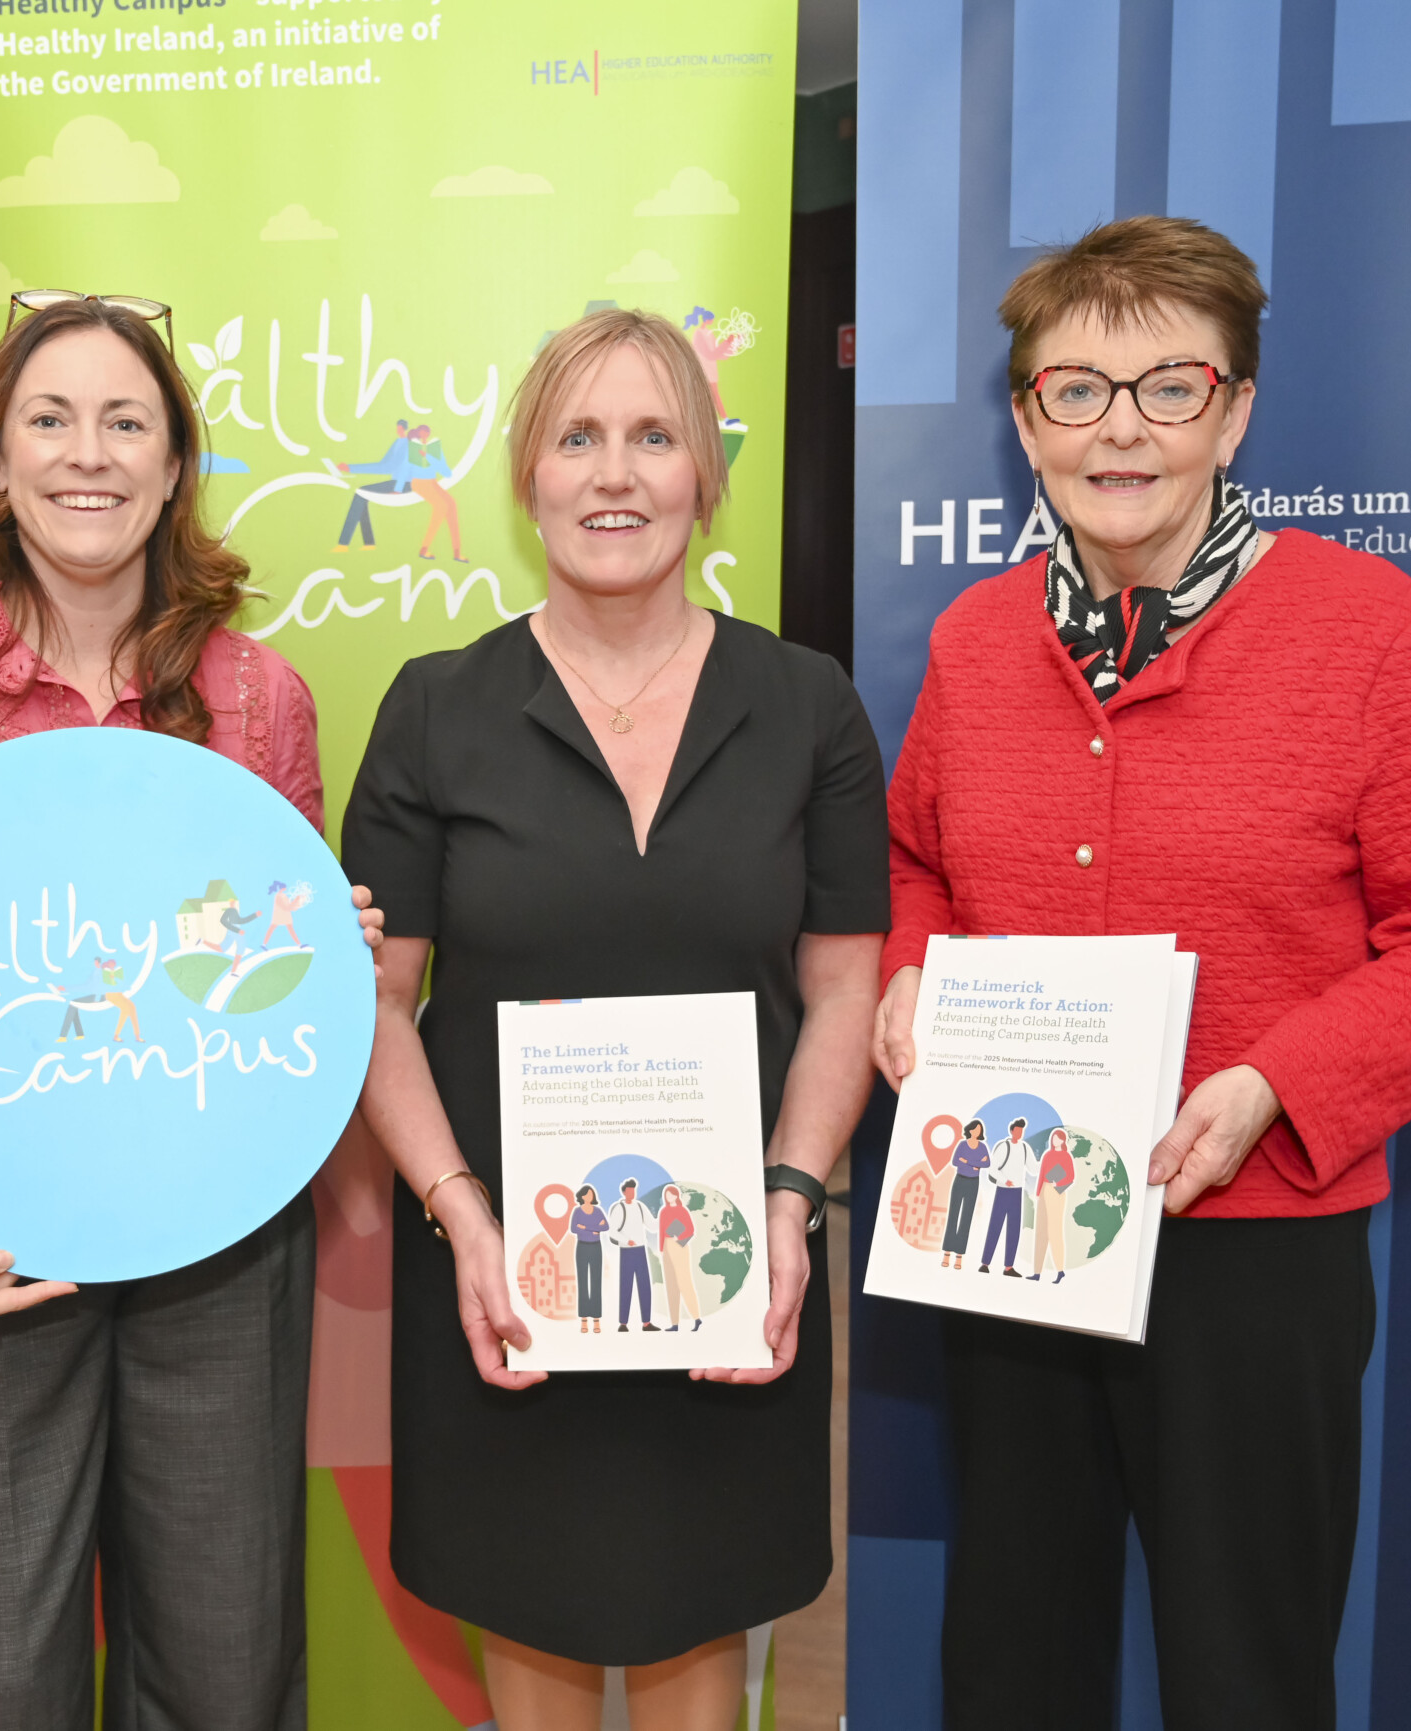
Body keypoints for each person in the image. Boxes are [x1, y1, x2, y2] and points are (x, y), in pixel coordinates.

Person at [870, 216, 1411, 1729]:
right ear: (1025, 417)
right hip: (1016, 1216)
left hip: (1255, 1240)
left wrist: (1277, 1082)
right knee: (1013, 1648)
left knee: (1247, 1663)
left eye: (1167, 386)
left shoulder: (1380, 635)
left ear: (1235, 409)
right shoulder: (979, 643)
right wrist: (912, 968)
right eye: (1075, 389)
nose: (1121, 428)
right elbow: (918, 859)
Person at [0, 292, 383, 1730]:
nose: (89, 454)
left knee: (228, 1662)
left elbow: (271, 984)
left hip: (219, 1246)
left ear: (176, 464)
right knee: (4, 1672)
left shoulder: (259, 700)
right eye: (48, 419)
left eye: (128, 421)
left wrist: (321, 952)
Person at [345, 307, 888, 1727]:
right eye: (578, 438)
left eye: (655, 437)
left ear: (707, 475)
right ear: (527, 478)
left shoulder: (808, 705)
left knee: (699, 1604)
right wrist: (461, 1214)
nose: (616, 474)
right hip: (505, 1268)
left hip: (728, 1257)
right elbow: (378, 998)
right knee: (528, 1600)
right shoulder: (435, 708)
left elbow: (843, 985)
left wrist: (786, 1202)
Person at [334, 418, 413, 549]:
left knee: (360, 494)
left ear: (403, 428)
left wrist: (352, 468)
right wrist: (350, 467)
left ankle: (344, 544)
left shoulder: (407, 444)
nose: (398, 430)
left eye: (399, 427)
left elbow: (388, 468)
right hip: (396, 482)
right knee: (362, 494)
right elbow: (382, 464)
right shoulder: (398, 442)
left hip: (405, 484)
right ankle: (368, 543)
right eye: (397, 427)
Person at [606, 1177, 658, 1331]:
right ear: (624, 1192)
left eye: (634, 1190)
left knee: (644, 1286)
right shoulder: (618, 1208)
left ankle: (646, 1322)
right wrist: (626, 1240)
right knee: (626, 1286)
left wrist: (664, 1217)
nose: (632, 1193)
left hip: (640, 1250)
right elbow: (612, 1230)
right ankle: (623, 1323)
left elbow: (652, 1225)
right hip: (627, 1251)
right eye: (629, 1191)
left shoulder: (640, 1207)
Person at [977, 1116, 1027, 1275]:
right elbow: (993, 1169)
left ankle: (1009, 1267)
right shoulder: (1003, 1146)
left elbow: (1034, 1167)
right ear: (1012, 1131)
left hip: (1017, 1192)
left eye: (1022, 1131)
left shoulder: (1025, 1148)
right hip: (1003, 1190)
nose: (1019, 1133)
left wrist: (1051, 1166)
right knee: (995, 1225)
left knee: (1014, 1228)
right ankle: (985, 1263)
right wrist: (1006, 1180)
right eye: (1017, 1130)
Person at [408, 424, 465, 562]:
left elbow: (446, 472)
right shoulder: (412, 449)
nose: (424, 437)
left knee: (451, 504)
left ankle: (457, 552)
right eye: (421, 434)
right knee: (441, 506)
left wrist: (430, 457)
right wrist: (397, 489)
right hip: (418, 482)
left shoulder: (434, 450)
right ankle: (424, 548)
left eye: (426, 434)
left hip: (432, 482)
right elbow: (406, 469)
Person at [942, 1118, 988, 1270]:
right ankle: (947, 1253)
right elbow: (955, 1161)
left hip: (973, 1183)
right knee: (953, 1215)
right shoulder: (962, 1144)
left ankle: (959, 1256)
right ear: (970, 1129)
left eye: (979, 1130)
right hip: (959, 1180)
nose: (977, 1132)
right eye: (975, 1129)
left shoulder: (982, 1147)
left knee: (966, 1218)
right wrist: (975, 1163)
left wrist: (967, 1161)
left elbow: (987, 1163)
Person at [656, 1183, 703, 1333]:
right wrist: (662, 1249)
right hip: (667, 1247)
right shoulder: (663, 1211)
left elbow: (691, 1229)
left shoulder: (682, 1210)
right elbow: (662, 1231)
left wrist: (679, 1237)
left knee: (684, 1282)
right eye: (667, 1195)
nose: (669, 1197)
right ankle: (674, 1323)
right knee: (671, 1285)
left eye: (671, 1194)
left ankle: (696, 1318)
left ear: (676, 1195)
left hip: (679, 1245)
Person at [1030, 1127, 1074, 1283]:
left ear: (1062, 1140)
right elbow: (1042, 1173)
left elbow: (1071, 1175)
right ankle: (1037, 1272)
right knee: (1041, 1231)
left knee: (1054, 1230)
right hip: (1044, 1190)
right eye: (1053, 1138)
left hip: (1057, 1192)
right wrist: (1038, 1193)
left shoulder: (1066, 1156)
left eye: (1057, 1138)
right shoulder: (1047, 1155)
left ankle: (1060, 1270)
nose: (1054, 1140)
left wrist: (1058, 1184)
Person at [569, 1184, 608, 1336]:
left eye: (592, 1194)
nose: (590, 1196)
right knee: (583, 1281)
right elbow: (574, 1228)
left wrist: (585, 1227)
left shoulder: (597, 1211)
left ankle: (596, 1319)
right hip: (582, 1247)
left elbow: (605, 1226)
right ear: (582, 1196)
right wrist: (594, 1228)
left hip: (596, 1247)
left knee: (596, 1281)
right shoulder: (577, 1211)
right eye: (588, 1194)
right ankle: (584, 1319)